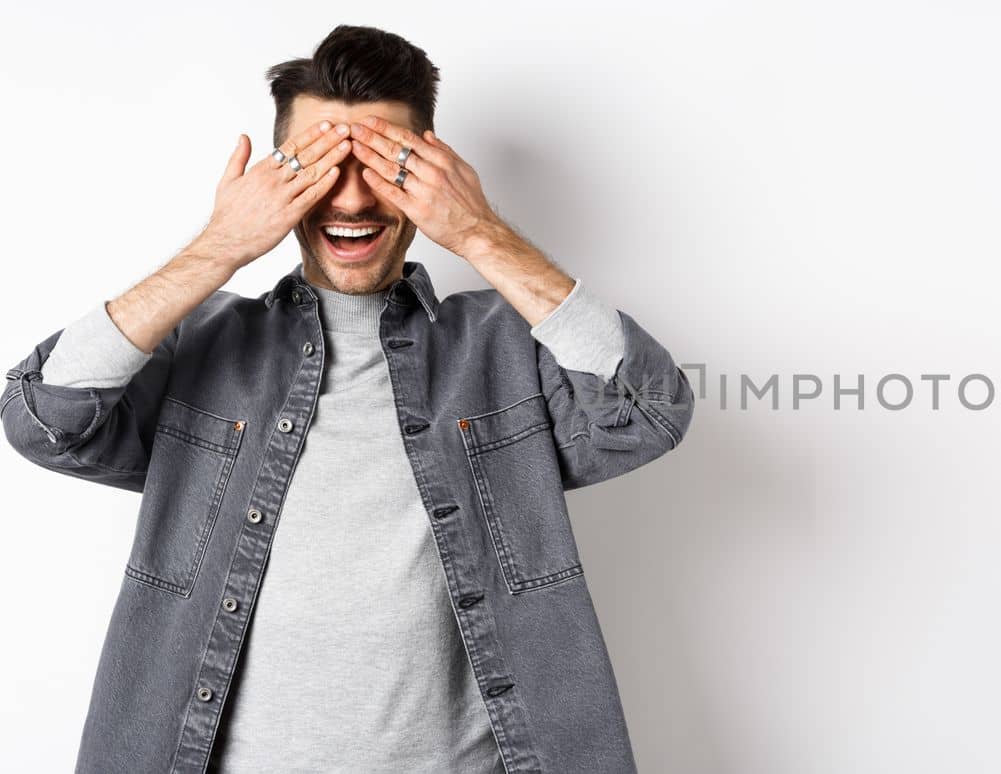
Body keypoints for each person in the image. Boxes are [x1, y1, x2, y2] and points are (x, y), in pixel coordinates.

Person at [1, 24, 693, 774]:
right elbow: (44, 418)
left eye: (385, 165)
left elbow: (649, 411)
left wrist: (483, 234)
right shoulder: (202, 343)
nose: (353, 197)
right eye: (320, 165)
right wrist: (221, 246)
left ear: (436, 172)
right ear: (274, 180)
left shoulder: (505, 344)